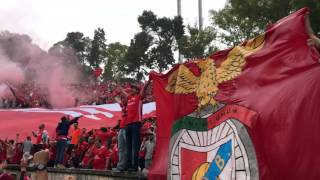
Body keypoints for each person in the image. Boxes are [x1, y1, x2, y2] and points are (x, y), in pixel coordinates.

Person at [117, 81, 150, 172]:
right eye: (131, 88)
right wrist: (119, 86)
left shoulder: (139, 98)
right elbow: (123, 92)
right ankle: (128, 165)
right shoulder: (129, 98)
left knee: (134, 146)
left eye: (133, 88)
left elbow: (144, 89)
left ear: (137, 90)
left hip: (136, 124)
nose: (131, 89)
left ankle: (134, 166)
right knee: (128, 146)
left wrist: (148, 82)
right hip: (128, 125)